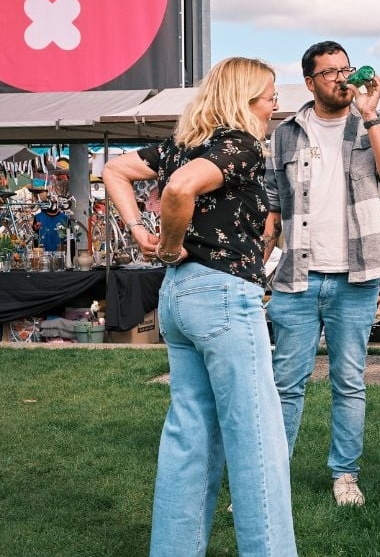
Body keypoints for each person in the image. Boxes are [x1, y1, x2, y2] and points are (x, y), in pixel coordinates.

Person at [102, 57, 297, 556]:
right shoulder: (241, 144)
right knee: (256, 438)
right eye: (269, 94)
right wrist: (164, 244)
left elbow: (114, 170)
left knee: (190, 434)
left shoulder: (183, 145)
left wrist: (138, 233)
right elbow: (178, 189)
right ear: (245, 99)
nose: (276, 103)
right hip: (224, 297)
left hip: (179, 299)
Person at [264, 40, 380, 507]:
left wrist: (371, 116)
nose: (341, 78)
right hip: (297, 278)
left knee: (349, 382)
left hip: (356, 277)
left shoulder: (374, 127)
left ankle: (345, 474)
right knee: (286, 384)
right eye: (330, 72)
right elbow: (271, 204)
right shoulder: (284, 133)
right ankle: (272, 477)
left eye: (345, 69)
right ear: (310, 82)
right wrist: (254, 266)